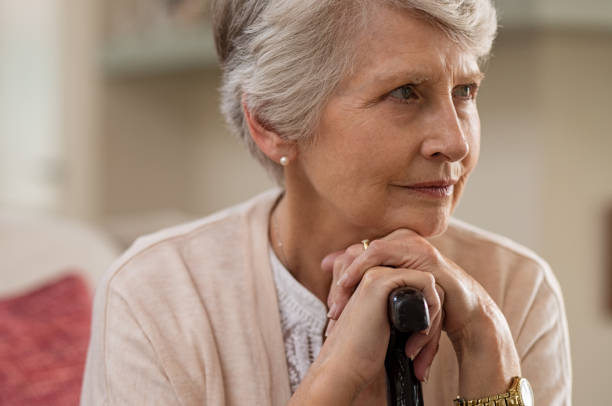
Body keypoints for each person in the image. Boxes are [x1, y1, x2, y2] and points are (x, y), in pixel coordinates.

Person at [80, 0, 572, 404]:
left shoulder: (516, 289)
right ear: (272, 122)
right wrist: (334, 379)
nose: (456, 142)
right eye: (405, 93)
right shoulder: (157, 297)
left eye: (464, 90)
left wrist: (486, 343)